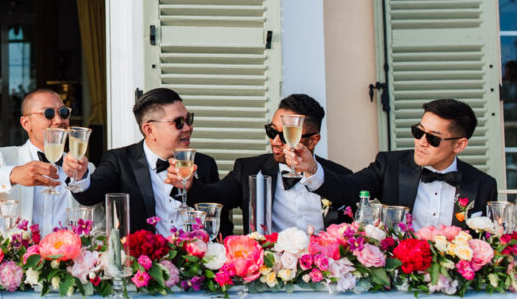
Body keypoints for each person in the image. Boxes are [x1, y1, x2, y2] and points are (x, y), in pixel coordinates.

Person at [287, 98, 498, 229]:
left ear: (459, 145)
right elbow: (346, 189)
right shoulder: (390, 165)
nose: (421, 143)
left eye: (432, 138)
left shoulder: (483, 185)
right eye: (418, 132)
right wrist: (312, 168)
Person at [190, 94, 352, 235]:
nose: (274, 142)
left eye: (286, 136)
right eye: (272, 131)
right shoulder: (248, 170)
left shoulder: (340, 177)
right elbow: (215, 196)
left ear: (313, 140)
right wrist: (189, 184)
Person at [71, 87, 218, 234]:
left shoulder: (205, 165)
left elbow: (218, 221)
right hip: (141, 255)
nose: (187, 128)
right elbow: (90, 196)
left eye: (189, 119)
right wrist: (79, 176)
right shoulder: (119, 161)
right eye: (178, 122)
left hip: (195, 255)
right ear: (149, 130)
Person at [0, 89, 93, 233]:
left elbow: (96, 225)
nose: (59, 120)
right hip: (16, 254)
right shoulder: (3, 157)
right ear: (26, 123)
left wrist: (82, 180)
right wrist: (13, 174)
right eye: (48, 113)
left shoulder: (84, 170)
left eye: (63, 113)